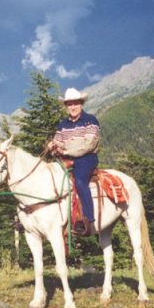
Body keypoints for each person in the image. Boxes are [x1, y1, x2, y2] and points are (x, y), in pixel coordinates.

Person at [48, 87, 100, 235]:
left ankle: (88, 218)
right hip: (67, 159)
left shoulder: (90, 120)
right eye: (69, 104)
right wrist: (53, 146)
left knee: (80, 182)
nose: (73, 107)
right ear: (66, 107)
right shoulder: (63, 124)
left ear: (81, 104)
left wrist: (65, 150)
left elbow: (88, 144)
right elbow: (58, 141)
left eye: (75, 103)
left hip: (87, 158)